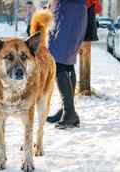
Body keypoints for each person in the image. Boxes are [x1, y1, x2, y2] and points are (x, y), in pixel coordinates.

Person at [46, 0, 88, 129]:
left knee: (58, 62)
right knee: (67, 62)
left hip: (67, 11)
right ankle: (67, 110)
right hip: (71, 11)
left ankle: (69, 112)